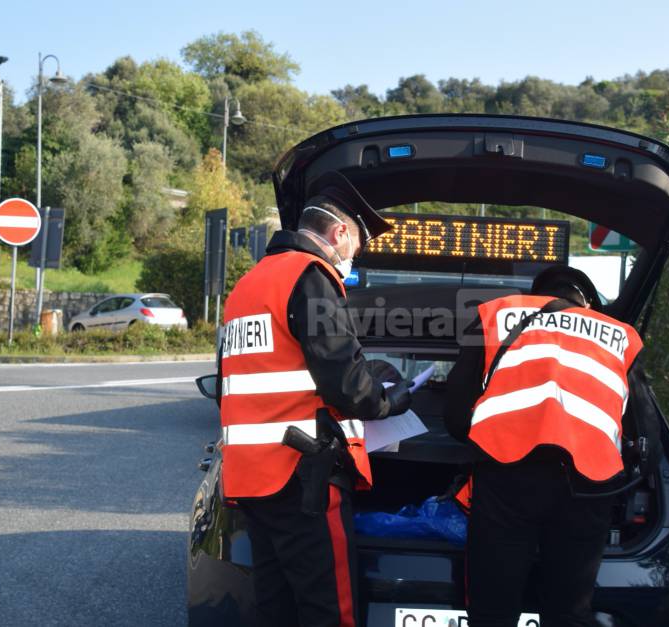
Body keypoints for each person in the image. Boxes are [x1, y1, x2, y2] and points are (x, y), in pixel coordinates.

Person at [219, 170, 412, 627]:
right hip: (302, 474)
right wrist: (390, 401)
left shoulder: (247, 287)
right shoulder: (311, 276)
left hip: (251, 477)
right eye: (356, 245)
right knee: (329, 609)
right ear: (340, 232)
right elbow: (345, 383)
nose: (353, 256)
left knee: (276, 606)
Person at [445, 265, 643, 627]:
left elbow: (456, 417)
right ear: (588, 303)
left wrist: (492, 443)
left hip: (507, 480)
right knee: (569, 612)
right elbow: (643, 437)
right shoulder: (618, 335)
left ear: (535, 295)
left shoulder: (498, 314)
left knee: (492, 610)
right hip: (589, 487)